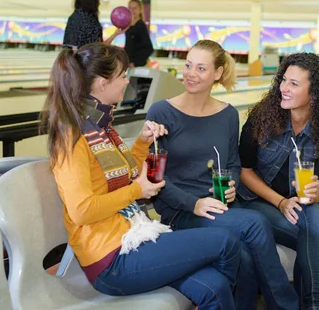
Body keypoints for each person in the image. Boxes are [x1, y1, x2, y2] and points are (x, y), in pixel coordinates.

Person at [42, 43, 240, 309]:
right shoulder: (73, 136)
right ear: (102, 83)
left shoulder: (100, 127)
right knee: (226, 241)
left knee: (214, 288)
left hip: (134, 237)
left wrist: (142, 144)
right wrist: (138, 191)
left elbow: (125, 174)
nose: (127, 82)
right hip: (112, 259)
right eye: (123, 76)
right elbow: (82, 210)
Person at [146, 39, 299, 310]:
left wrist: (231, 183)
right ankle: (286, 306)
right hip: (182, 212)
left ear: (217, 73)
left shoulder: (228, 115)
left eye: (201, 68)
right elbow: (154, 178)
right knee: (255, 223)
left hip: (222, 207)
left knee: (245, 257)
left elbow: (233, 164)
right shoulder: (161, 112)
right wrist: (193, 203)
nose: (190, 73)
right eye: (188, 65)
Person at [237, 53, 319, 310]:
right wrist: (281, 201)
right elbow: (243, 169)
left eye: (294, 84)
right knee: (315, 232)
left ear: (315, 93)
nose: (283, 88)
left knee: (316, 214)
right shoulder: (262, 117)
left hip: (296, 210)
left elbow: (317, 189)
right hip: (252, 202)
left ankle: (311, 306)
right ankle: (314, 305)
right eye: (283, 80)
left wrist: (316, 192)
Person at [124, 0, 154, 68]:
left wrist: (135, 62)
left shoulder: (140, 26)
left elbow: (149, 48)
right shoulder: (129, 25)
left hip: (138, 66)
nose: (132, 11)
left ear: (140, 10)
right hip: (130, 65)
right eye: (130, 8)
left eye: (135, 8)